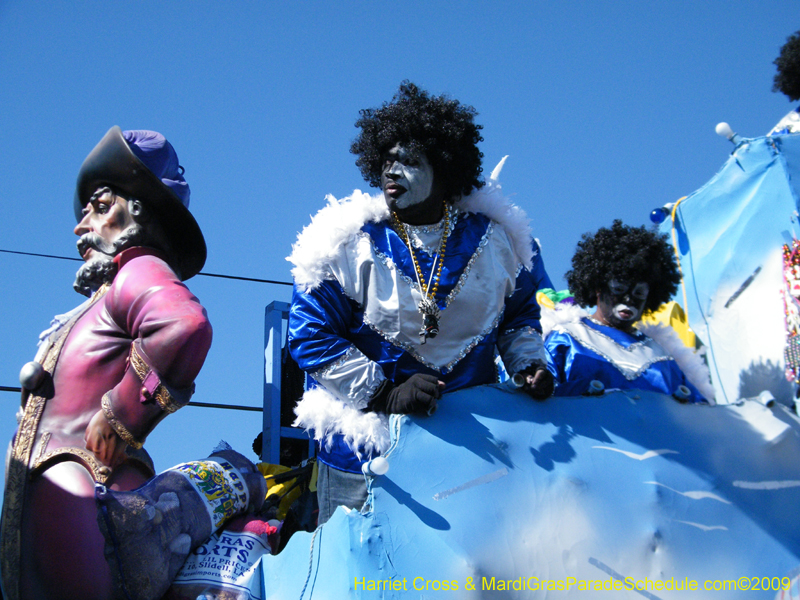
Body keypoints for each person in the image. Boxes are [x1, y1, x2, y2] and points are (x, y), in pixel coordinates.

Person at [287, 82, 554, 524]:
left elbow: (520, 315)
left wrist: (529, 365)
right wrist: (385, 394)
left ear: (445, 171)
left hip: (472, 450)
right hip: (367, 459)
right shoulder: (342, 244)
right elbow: (311, 335)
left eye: (409, 161)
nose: (393, 172)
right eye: (387, 161)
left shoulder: (496, 241)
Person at [0, 127, 214, 600]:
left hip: (85, 498)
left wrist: (120, 416)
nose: (81, 226)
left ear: (137, 211)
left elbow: (182, 325)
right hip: (55, 508)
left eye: (99, 207)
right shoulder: (98, 302)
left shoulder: (136, 272)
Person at [543, 220, 714, 403]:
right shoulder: (566, 338)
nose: (628, 299)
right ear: (598, 287)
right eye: (619, 288)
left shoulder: (662, 357)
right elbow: (542, 398)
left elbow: (698, 416)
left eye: (639, 293)